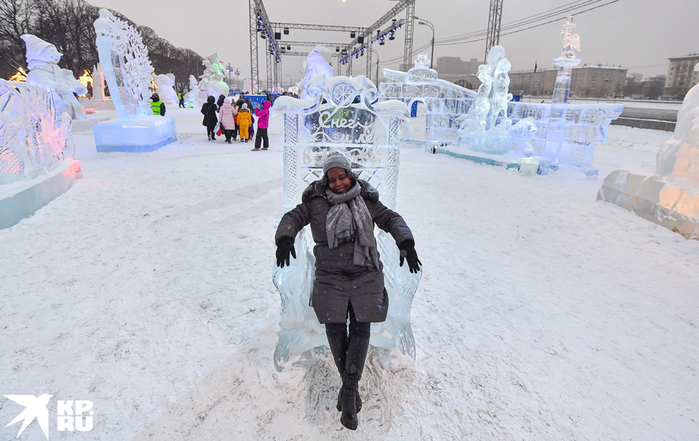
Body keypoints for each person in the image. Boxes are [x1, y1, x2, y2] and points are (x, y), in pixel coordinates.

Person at [274, 151, 421, 431]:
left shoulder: (366, 199)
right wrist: (285, 238)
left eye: (342, 177)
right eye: (332, 179)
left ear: (350, 175)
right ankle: (351, 386)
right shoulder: (315, 202)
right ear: (325, 180)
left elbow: (390, 219)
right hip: (331, 273)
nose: (338, 183)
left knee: (361, 324)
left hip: (365, 270)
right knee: (335, 324)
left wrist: (406, 242)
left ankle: (349, 388)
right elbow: (293, 217)